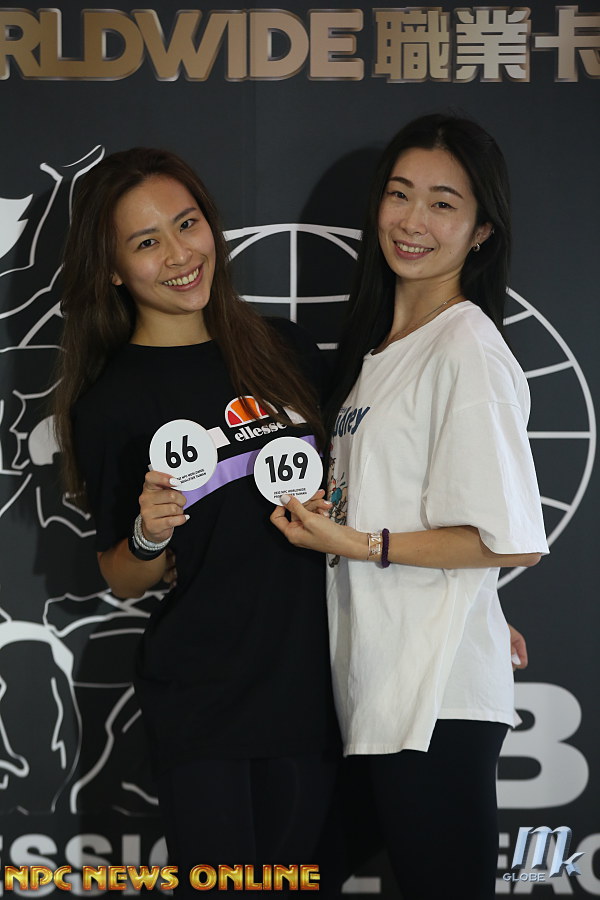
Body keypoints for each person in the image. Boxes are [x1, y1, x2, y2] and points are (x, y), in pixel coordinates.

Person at [271, 114, 548, 899]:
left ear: (481, 231)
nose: (413, 220)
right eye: (399, 195)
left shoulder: (466, 346)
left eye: (442, 203)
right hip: (376, 691)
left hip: (434, 700)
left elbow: (509, 537)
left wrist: (362, 545)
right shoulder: (381, 353)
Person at [53, 148, 340, 895]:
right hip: (205, 701)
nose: (180, 255)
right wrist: (149, 532)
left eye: (188, 224)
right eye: (147, 242)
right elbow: (123, 576)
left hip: (313, 692)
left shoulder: (285, 348)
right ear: (114, 270)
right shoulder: (111, 402)